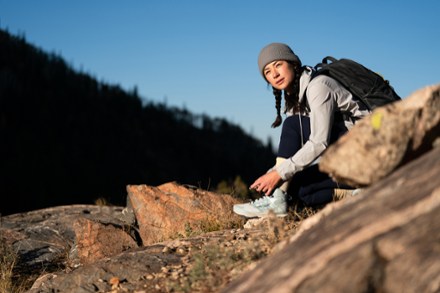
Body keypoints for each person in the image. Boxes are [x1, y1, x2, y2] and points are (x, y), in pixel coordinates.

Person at [233, 42, 369, 218]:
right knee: (297, 187)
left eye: (278, 65)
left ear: (293, 64)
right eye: (267, 72)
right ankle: (354, 195)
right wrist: (275, 174)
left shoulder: (319, 87)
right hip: (349, 162)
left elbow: (319, 142)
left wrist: (279, 173)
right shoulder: (297, 98)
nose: (274, 74)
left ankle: (277, 202)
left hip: (369, 154)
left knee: (291, 126)